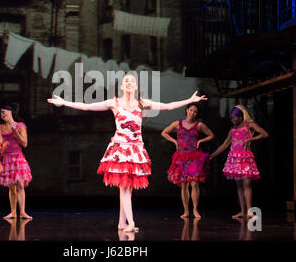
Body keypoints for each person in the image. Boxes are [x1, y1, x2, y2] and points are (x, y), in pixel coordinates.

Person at [48, 72, 207, 232]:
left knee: (127, 188)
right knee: (124, 187)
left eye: (132, 81)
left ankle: (121, 223)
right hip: (120, 149)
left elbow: (167, 106)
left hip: (135, 150)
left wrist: (189, 100)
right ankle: (130, 222)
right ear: (122, 86)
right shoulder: (114, 103)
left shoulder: (141, 103)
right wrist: (64, 102)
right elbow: (87, 106)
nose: (129, 83)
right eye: (126, 81)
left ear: (136, 86)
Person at [209, 105, 269, 219]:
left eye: (234, 117)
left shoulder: (249, 125)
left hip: (246, 158)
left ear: (241, 117)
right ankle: (242, 211)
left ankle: (250, 211)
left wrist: (251, 139)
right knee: (239, 186)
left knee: (247, 184)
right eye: (231, 118)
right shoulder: (232, 129)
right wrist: (213, 155)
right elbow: (225, 144)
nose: (232, 120)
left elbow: (265, 134)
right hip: (234, 159)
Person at [161, 103, 214, 218]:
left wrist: (201, 141)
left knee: (194, 183)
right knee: (184, 184)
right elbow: (164, 132)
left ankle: (195, 210)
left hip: (194, 157)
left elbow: (211, 135)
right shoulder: (178, 124)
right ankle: (186, 211)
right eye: (191, 110)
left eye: (195, 111)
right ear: (186, 111)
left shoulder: (199, 125)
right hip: (181, 157)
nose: (192, 113)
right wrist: (175, 141)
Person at [0, 105, 33, 220]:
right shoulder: (0, 127)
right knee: (11, 188)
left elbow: (24, 143)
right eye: (1, 113)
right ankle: (13, 212)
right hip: (6, 159)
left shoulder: (20, 125)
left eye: (4, 111)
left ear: (11, 111)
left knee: (20, 186)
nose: (2, 114)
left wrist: (16, 133)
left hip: (17, 158)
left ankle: (22, 212)